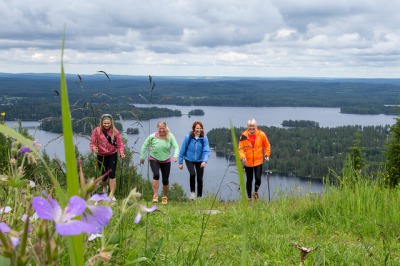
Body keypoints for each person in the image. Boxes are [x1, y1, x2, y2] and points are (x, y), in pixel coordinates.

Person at [140, 120, 179, 205]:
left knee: (165, 180)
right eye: (160, 128)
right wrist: (142, 157)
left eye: (163, 128)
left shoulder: (170, 136)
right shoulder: (152, 136)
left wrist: (175, 156)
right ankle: (155, 195)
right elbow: (144, 145)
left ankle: (164, 197)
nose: (161, 130)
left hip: (166, 160)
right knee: (156, 175)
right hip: (154, 159)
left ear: (166, 128)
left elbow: (176, 146)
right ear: (157, 128)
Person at [90, 114, 125, 201]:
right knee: (104, 176)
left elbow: (120, 144)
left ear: (111, 123)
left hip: (112, 154)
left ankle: (111, 194)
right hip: (101, 155)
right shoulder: (97, 131)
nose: (106, 125)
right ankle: (105, 188)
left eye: (108, 123)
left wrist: (121, 153)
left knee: (112, 175)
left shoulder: (115, 131)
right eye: (105, 123)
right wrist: (94, 149)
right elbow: (92, 143)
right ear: (102, 123)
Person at [238, 118, 271, 201]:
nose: (251, 129)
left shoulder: (261, 134)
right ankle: (249, 198)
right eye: (250, 127)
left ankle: (255, 192)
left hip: (258, 161)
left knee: (258, 178)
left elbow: (267, 145)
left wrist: (267, 155)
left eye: (253, 127)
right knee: (249, 180)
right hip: (247, 162)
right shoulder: (243, 136)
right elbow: (240, 149)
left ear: (256, 126)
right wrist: (242, 157)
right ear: (247, 127)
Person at [178, 121, 210, 200]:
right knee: (192, 174)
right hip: (189, 159)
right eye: (197, 128)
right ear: (193, 129)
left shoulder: (204, 138)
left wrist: (204, 161)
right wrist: (180, 162)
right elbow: (183, 149)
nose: (199, 130)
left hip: (200, 160)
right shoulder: (188, 137)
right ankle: (192, 193)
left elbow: (206, 151)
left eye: (200, 128)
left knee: (199, 179)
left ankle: (199, 197)